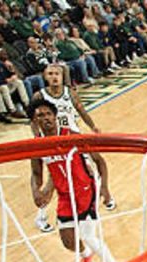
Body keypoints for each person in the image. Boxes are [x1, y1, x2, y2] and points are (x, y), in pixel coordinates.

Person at [28, 98, 116, 262]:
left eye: (48, 114)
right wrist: (35, 191)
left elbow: (100, 161)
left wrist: (105, 187)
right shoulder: (36, 146)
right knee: (68, 242)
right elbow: (36, 174)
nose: (46, 118)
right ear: (34, 121)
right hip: (65, 195)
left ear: (55, 116)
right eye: (40, 115)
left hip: (86, 190)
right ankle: (85, 254)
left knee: (88, 235)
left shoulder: (71, 135)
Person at [32, 63, 116, 233]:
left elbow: (81, 110)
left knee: (94, 163)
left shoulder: (69, 93)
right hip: (52, 140)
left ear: (63, 76)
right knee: (55, 179)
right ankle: (41, 214)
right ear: (45, 77)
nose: (54, 76)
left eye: (57, 73)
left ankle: (105, 193)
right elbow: (33, 120)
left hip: (73, 136)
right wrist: (37, 139)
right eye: (50, 73)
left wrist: (93, 127)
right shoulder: (39, 96)